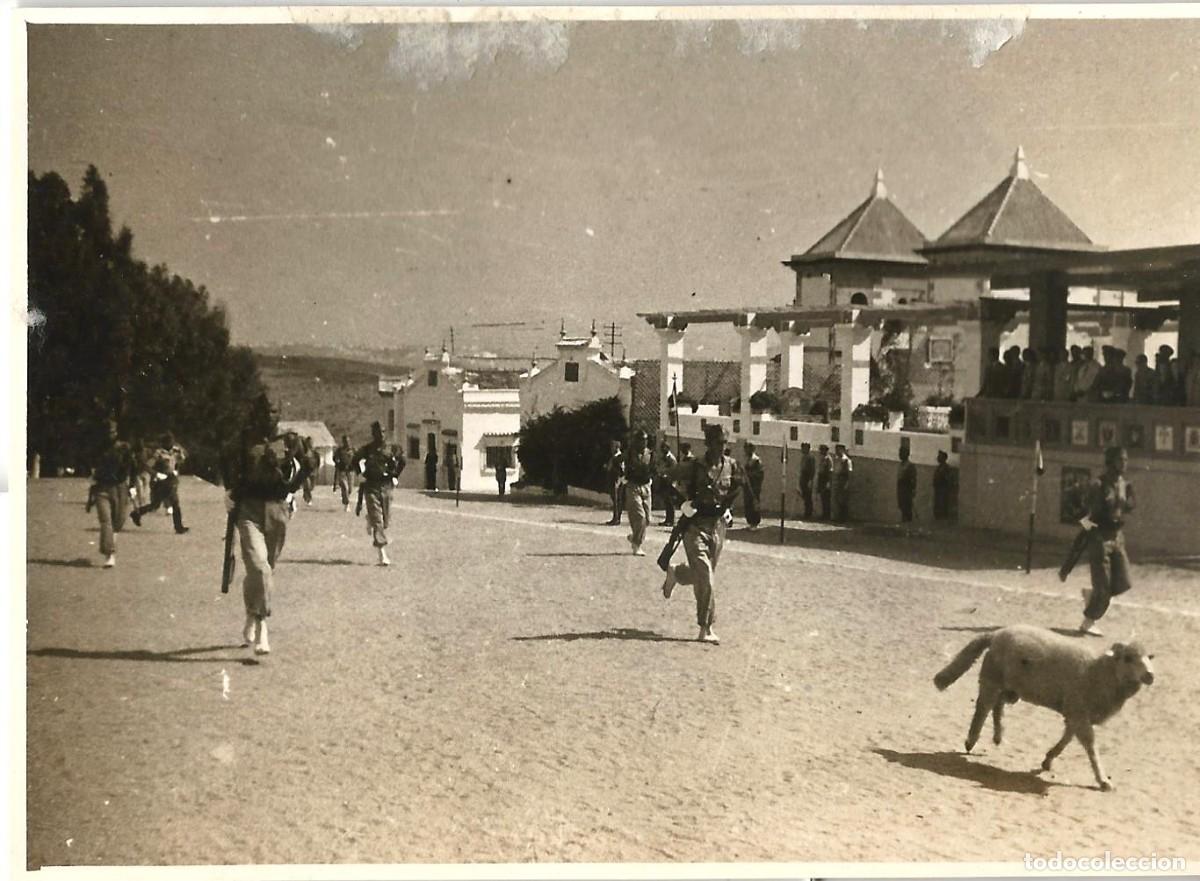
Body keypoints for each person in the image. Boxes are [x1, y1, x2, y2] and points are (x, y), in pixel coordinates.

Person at [223, 396, 312, 655]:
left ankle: (252, 612)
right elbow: (229, 466)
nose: (269, 416)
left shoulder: (289, 442)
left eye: (274, 412)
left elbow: (294, 479)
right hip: (248, 509)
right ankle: (263, 629)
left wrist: (305, 471)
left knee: (265, 570)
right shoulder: (244, 441)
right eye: (265, 411)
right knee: (260, 567)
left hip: (276, 511)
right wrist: (228, 493)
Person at [659, 422, 743, 645]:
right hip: (695, 527)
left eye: (723, 443)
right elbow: (665, 477)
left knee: (703, 576)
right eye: (716, 443)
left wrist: (728, 510)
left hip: (717, 528)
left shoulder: (731, 466)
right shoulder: (694, 466)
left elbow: (736, 489)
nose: (719, 447)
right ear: (708, 443)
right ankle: (705, 627)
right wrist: (682, 501)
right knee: (706, 575)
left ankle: (677, 573)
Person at [1077, 446, 1136, 636]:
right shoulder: (1099, 485)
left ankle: (1092, 595)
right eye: (1120, 460)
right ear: (1110, 462)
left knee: (1124, 581)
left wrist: (1129, 502)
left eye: (1126, 460)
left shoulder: (1124, 484)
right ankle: (1088, 621)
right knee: (1103, 587)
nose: (1124, 464)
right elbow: (1087, 514)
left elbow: (1127, 507)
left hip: (1117, 537)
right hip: (1100, 537)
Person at [89, 419, 136, 568]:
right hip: (102, 488)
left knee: (118, 521)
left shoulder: (124, 448)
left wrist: (133, 486)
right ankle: (110, 554)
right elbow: (89, 463)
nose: (110, 435)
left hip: (120, 488)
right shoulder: (97, 448)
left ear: (116, 432)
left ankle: (110, 541)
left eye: (112, 432)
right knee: (106, 521)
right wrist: (92, 475)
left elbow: (133, 467)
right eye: (107, 432)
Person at [354, 421, 403, 566]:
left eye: (382, 432)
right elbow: (355, 459)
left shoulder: (391, 448)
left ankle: (370, 518)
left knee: (385, 521)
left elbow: (403, 460)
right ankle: (382, 555)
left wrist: (395, 475)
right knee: (378, 522)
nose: (380, 435)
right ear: (373, 434)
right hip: (371, 487)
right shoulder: (367, 449)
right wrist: (360, 474)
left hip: (386, 487)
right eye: (377, 432)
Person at [130, 432, 189, 534]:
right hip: (161, 481)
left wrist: (180, 459)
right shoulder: (158, 453)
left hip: (171, 479)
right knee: (166, 503)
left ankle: (138, 513)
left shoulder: (176, 451)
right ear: (164, 443)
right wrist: (156, 474)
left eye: (172, 441)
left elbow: (181, 460)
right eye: (168, 442)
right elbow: (147, 466)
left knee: (163, 504)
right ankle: (178, 527)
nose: (171, 443)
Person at [624, 430, 654, 555]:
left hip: (646, 486)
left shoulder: (650, 454)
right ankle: (637, 545)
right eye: (641, 440)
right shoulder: (630, 453)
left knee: (647, 519)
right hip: (633, 486)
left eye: (645, 440)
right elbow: (620, 462)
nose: (643, 442)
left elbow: (653, 467)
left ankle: (634, 537)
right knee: (639, 516)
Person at [742, 441, 764, 528]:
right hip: (747, 485)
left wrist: (750, 474)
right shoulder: (748, 460)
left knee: (754, 503)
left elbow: (760, 473)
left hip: (754, 486)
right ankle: (750, 522)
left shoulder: (757, 460)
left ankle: (755, 522)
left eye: (747, 448)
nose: (746, 451)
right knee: (747, 503)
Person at [656, 439, 678, 527]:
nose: (662, 449)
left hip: (669, 482)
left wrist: (666, 474)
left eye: (663, 448)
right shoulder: (662, 458)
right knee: (666, 501)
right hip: (663, 482)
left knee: (670, 502)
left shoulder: (671, 459)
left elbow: (674, 471)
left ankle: (671, 520)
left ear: (667, 448)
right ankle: (667, 519)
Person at [604, 439, 625, 526]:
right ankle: (615, 517)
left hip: (617, 481)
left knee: (617, 500)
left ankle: (617, 518)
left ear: (617, 447)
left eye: (612, 447)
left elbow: (622, 470)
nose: (611, 449)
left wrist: (619, 480)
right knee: (614, 499)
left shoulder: (620, 457)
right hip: (613, 480)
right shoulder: (614, 457)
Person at [333, 434, 355, 512]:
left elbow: (357, 458)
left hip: (351, 471)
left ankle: (345, 498)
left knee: (350, 489)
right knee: (345, 487)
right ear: (343, 442)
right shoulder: (339, 450)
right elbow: (334, 458)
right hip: (342, 471)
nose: (347, 442)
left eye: (348, 441)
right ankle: (347, 504)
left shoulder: (353, 450)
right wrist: (337, 462)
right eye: (345, 441)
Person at [832, 444, 853, 522]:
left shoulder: (846, 460)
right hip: (838, 480)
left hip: (844, 480)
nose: (836, 452)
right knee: (837, 498)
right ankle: (838, 516)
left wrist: (847, 483)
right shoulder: (837, 459)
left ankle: (843, 517)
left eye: (838, 450)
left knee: (843, 500)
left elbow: (849, 473)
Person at [932, 450, 954, 521]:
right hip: (938, 489)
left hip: (943, 489)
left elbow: (948, 479)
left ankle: (942, 518)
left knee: (942, 504)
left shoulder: (946, 468)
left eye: (940, 457)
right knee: (938, 504)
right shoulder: (939, 467)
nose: (938, 458)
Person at [896, 446, 917, 523]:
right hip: (901, 489)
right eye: (899, 453)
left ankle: (908, 524)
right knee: (902, 508)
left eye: (901, 453)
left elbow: (913, 479)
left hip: (907, 490)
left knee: (907, 509)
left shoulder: (910, 466)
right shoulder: (901, 465)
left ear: (906, 454)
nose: (900, 454)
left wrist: (913, 490)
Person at [797, 441, 816, 519]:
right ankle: (806, 512)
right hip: (803, 477)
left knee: (808, 496)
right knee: (804, 496)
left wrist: (810, 480)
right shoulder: (804, 457)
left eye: (804, 448)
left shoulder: (810, 457)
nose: (802, 450)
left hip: (807, 477)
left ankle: (808, 513)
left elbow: (812, 470)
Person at [816, 443, 833, 520]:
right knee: (823, 497)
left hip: (826, 479)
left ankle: (827, 515)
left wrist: (828, 482)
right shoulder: (822, 459)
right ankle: (824, 514)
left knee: (826, 498)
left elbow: (830, 471)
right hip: (821, 478)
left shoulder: (828, 459)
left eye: (822, 450)